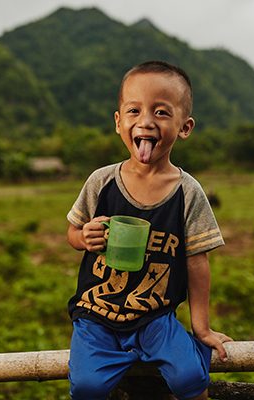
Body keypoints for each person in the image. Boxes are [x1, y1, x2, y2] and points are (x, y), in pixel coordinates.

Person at [66, 60, 233, 400]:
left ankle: (183, 352)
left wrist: (201, 328)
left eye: (160, 112)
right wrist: (84, 238)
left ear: (184, 127)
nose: (145, 121)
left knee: (189, 378)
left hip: (156, 317)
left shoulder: (188, 193)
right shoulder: (101, 182)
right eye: (134, 111)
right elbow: (72, 233)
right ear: (118, 122)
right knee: (87, 388)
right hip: (97, 314)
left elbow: (198, 263)